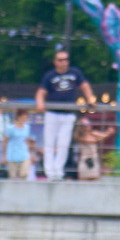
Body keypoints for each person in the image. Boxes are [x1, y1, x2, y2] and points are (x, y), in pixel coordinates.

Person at [35, 48, 87, 180]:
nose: (64, 62)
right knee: (49, 143)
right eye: (60, 60)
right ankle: (49, 171)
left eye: (66, 60)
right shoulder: (50, 76)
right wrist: (40, 103)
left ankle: (58, 170)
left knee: (63, 144)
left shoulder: (75, 73)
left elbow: (84, 85)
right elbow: (41, 91)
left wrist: (90, 98)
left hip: (68, 114)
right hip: (52, 113)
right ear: (55, 62)